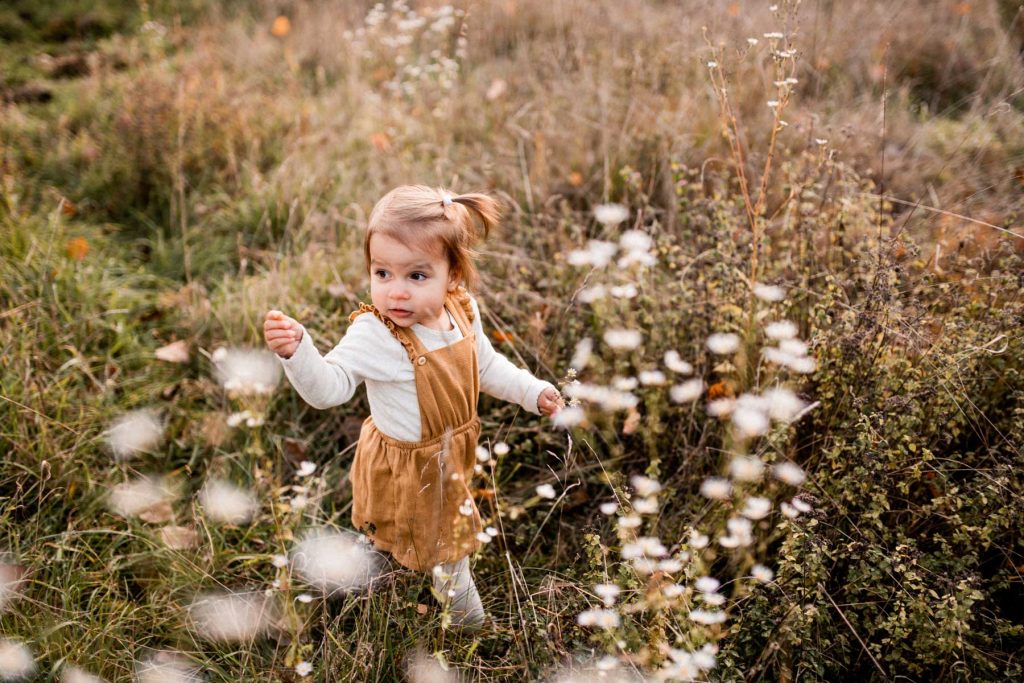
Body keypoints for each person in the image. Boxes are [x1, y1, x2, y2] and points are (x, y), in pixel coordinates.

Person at [263, 185, 564, 632]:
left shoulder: (462, 312)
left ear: (453, 276)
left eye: (416, 276)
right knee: (448, 552)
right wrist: (298, 352)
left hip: (451, 457)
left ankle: (365, 571)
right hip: (409, 465)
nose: (396, 293)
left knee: (407, 539)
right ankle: (469, 630)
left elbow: (485, 365)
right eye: (382, 273)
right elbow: (329, 389)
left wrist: (531, 391)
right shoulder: (376, 334)